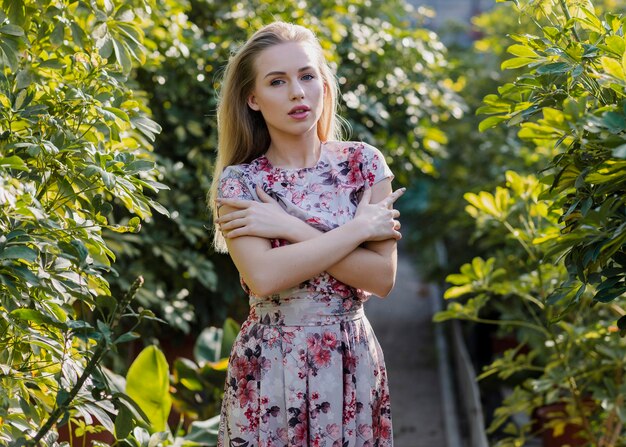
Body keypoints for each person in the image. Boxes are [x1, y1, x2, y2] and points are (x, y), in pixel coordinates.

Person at [208, 21, 404, 447]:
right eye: (277, 81)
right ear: (253, 98)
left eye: (307, 75)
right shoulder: (240, 183)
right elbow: (265, 277)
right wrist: (355, 231)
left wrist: (289, 227)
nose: (297, 92)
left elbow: (381, 279)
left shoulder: (364, 165)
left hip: (350, 360)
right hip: (271, 366)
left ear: (324, 85)